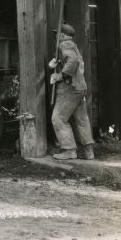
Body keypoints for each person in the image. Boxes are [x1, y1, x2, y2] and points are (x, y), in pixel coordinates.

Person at [49, 23, 95, 160]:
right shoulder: (73, 46)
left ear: (63, 35)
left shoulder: (65, 45)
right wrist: (57, 62)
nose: (56, 36)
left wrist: (60, 76)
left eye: (58, 34)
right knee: (82, 120)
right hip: (80, 88)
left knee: (58, 119)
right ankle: (89, 152)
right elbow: (74, 61)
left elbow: (72, 61)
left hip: (70, 88)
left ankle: (69, 150)